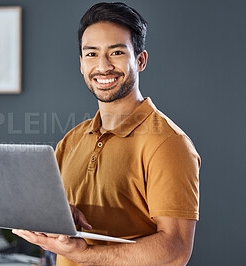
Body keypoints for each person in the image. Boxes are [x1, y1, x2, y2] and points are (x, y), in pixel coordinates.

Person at [13, 2, 200, 265]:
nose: (103, 66)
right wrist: (53, 221)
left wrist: (85, 255)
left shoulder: (168, 143)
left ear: (140, 60)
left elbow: (175, 249)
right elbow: (54, 226)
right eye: (91, 54)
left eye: (116, 52)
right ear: (81, 64)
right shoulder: (71, 141)